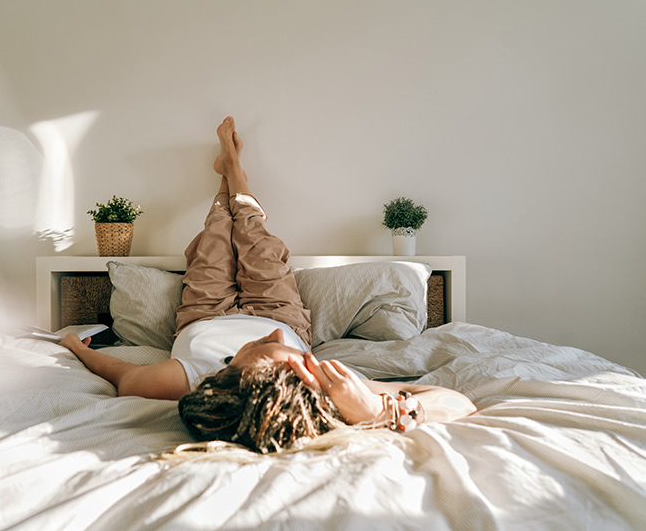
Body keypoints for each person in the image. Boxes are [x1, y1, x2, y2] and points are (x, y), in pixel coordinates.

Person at [61, 117, 476, 453]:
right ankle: (234, 172)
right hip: (280, 311)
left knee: (213, 241)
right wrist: (381, 411)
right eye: (294, 361)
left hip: (204, 316)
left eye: (259, 349)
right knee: (259, 243)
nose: (274, 339)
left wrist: (76, 347)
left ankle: (228, 178)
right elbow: (458, 402)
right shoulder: (319, 385)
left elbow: (120, 373)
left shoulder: (186, 379)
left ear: (223, 375)